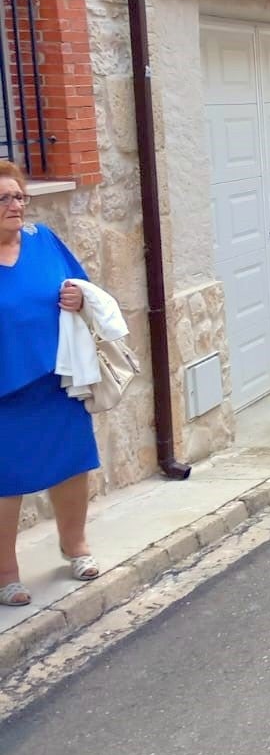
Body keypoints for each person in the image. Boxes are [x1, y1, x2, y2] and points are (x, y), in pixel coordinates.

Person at [0, 161, 101, 607]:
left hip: (57, 378)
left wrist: (78, 297)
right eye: (3, 198)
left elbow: (82, 286)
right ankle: (5, 571)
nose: (14, 205)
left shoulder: (44, 241)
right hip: (6, 388)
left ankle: (75, 546)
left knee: (72, 464)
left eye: (19, 196)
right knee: (6, 481)